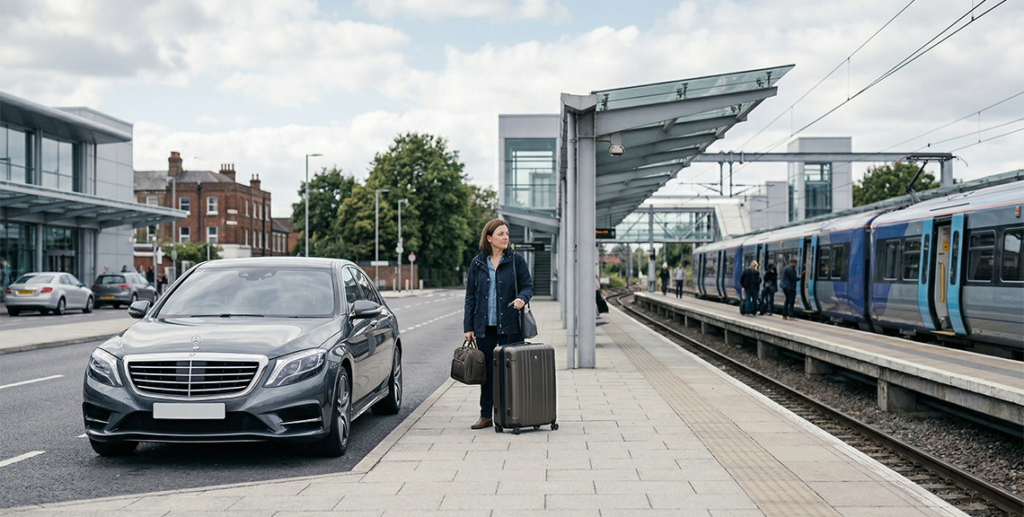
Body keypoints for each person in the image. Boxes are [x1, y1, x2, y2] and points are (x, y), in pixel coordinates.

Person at [463, 219, 533, 430]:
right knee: (487, 374)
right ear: (489, 238)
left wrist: (522, 298)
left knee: (511, 373)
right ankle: (486, 415)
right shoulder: (478, 263)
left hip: (510, 327)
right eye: (501, 234)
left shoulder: (516, 260)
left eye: (507, 234)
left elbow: (528, 286)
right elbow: (471, 297)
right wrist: (468, 327)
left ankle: (512, 414)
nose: (506, 238)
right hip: (484, 328)